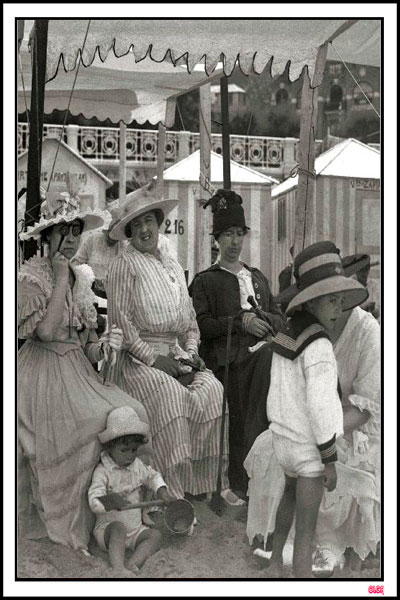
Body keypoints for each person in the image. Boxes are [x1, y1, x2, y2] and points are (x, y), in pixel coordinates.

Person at [18, 185, 151, 553]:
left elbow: (86, 344)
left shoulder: (84, 277)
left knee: (131, 411)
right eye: (63, 231)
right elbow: (44, 332)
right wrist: (61, 277)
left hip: (77, 368)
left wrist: (103, 348)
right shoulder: (32, 277)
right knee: (89, 421)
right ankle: (85, 520)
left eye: (76, 231)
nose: (70, 240)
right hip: (40, 372)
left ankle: (122, 514)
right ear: (48, 236)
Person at [105, 185, 231, 504]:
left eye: (149, 221)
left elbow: (189, 322)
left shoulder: (172, 266)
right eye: (137, 225)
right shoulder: (124, 265)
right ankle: (170, 492)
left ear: (158, 223)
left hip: (176, 357)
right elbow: (121, 323)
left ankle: (199, 483)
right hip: (136, 361)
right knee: (173, 395)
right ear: (130, 233)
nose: (145, 229)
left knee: (213, 390)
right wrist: (152, 359)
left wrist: (190, 354)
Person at [263, 241, 368, 578]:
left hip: (283, 440)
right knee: (306, 528)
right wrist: (329, 458)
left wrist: (282, 429)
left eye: (340, 301)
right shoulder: (320, 345)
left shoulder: (287, 335)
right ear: (311, 301)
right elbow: (321, 406)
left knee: (287, 499)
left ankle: (276, 562)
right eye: (332, 301)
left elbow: (279, 391)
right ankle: (304, 579)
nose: (338, 309)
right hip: (310, 449)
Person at [190, 189, 286, 501]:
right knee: (269, 361)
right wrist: (239, 322)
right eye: (227, 235)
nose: (234, 242)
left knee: (287, 356)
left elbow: (279, 316)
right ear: (216, 238)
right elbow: (201, 325)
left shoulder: (256, 277)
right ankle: (245, 478)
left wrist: (266, 321)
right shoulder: (206, 281)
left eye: (238, 234)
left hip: (264, 351)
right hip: (229, 358)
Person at [88, 406, 173, 578]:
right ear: (110, 447)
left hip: (134, 530)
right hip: (108, 530)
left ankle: (133, 563)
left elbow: (152, 476)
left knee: (155, 535)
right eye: (124, 450)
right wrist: (111, 502)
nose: (130, 456)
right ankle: (118, 569)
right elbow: (93, 501)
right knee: (118, 528)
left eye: (134, 450)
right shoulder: (103, 471)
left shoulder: (137, 467)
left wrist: (161, 491)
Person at [71, 205, 125, 298]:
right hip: (92, 295)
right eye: (108, 231)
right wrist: (88, 278)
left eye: (115, 232)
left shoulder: (125, 246)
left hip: (119, 296)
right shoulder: (92, 240)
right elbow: (75, 263)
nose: (111, 236)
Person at [341, 254, 380, 321]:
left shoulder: (374, 285)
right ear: (356, 270)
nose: (364, 273)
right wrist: (364, 306)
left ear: (369, 270)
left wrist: (373, 308)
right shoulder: (349, 284)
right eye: (361, 270)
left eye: (366, 270)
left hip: (370, 322)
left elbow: (378, 313)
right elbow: (346, 309)